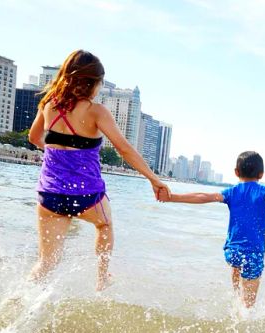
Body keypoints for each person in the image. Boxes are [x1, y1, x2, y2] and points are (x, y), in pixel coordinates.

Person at [27, 50, 170, 291]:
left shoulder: (48, 104)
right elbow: (124, 149)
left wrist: (58, 155)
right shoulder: (96, 111)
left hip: (50, 195)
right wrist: (154, 180)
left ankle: (21, 296)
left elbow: (34, 137)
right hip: (86, 195)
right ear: (93, 83)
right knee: (104, 225)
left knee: (46, 263)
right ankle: (102, 278)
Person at [160, 151, 265, 307]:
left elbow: (204, 196)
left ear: (236, 172)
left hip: (232, 251)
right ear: (261, 174)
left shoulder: (231, 192)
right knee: (248, 305)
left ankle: (235, 298)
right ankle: (242, 313)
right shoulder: (264, 192)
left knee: (237, 271)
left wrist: (172, 197)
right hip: (254, 253)